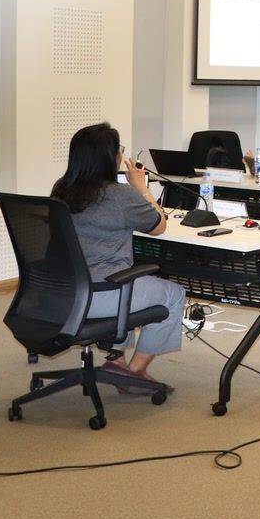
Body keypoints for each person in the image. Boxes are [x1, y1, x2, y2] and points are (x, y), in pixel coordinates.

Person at [51, 123, 184, 392]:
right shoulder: (121, 195)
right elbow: (159, 225)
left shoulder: (61, 189)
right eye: (118, 150)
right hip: (99, 294)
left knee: (127, 281)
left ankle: (117, 362)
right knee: (173, 294)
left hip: (59, 292)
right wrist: (141, 187)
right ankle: (134, 372)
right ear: (109, 157)